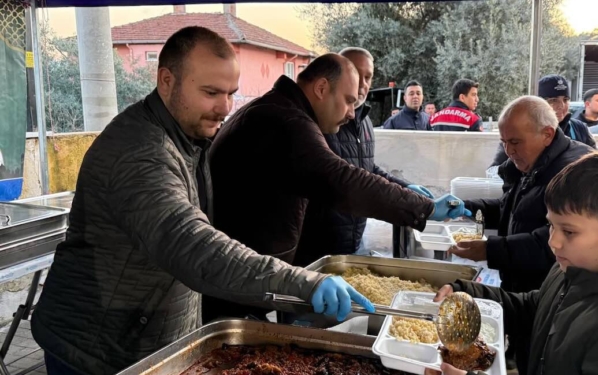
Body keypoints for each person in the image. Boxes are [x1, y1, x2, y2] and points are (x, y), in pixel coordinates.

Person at [30, 27, 374, 375]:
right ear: (166, 80)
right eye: (211, 92)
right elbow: (193, 244)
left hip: (148, 337)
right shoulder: (139, 152)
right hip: (95, 349)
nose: (224, 107)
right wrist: (301, 281)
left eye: (231, 94)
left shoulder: (187, 135)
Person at [206, 53, 470, 322]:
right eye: (347, 101)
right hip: (237, 281)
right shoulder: (287, 122)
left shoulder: (280, 110)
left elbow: (358, 173)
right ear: (321, 88)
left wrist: (412, 195)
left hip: (248, 274)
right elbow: (343, 180)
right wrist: (424, 208)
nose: (351, 113)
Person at [430, 151, 598, 375]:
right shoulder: (577, 268)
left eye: (569, 231)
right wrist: (469, 294)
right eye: (551, 226)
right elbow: (536, 307)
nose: (554, 242)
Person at [295, 47, 434, 267]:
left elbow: (368, 170)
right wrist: (421, 208)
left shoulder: (365, 122)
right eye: (355, 75)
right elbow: (345, 180)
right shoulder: (316, 123)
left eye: (367, 77)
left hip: (353, 243)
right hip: (314, 248)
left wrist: (408, 189)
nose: (361, 84)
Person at [448, 96, 593, 293]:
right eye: (504, 142)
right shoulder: (529, 164)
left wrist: (490, 250)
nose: (508, 151)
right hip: (519, 285)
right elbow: (512, 211)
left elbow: (553, 242)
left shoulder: (576, 171)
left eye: (515, 142)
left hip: (549, 293)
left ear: (547, 135)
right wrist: (462, 207)